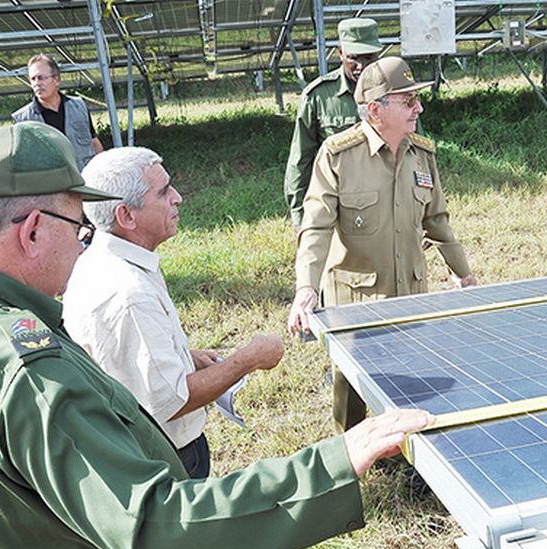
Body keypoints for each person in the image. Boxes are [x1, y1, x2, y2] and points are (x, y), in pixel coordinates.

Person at [0, 121, 433, 549]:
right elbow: (153, 521)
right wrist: (331, 464)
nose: (84, 243)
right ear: (33, 232)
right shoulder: (27, 372)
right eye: (77, 229)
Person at [63, 147, 284, 478]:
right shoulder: (129, 294)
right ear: (126, 216)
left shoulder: (108, 261)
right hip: (167, 458)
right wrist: (249, 358)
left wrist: (184, 356)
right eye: (164, 192)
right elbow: (173, 401)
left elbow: (127, 359)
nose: (178, 198)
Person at [288, 56, 477, 433]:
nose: (418, 108)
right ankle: (350, 454)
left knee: (408, 378)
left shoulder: (422, 155)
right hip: (357, 300)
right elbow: (316, 225)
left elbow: (437, 222)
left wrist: (465, 275)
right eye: (408, 101)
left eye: (416, 100)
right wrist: (306, 287)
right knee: (352, 387)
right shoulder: (338, 156)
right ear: (375, 110)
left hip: (409, 290)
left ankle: (406, 452)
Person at [283, 17, 382, 231]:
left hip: (386, 200)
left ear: (379, 54)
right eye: (354, 58)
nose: (362, 67)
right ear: (340, 53)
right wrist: (299, 215)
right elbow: (301, 157)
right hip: (338, 204)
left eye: (369, 57)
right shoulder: (318, 97)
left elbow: (415, 150)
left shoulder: (395, 93)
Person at [12, 54, 103, 171]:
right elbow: (23, 162)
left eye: (41, 78)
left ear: (56, 80)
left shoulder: (79, 106)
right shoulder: (22, 120)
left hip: (84, 180)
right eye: (33, 79)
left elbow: (94, 142)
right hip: (51, 185)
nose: (37, 83)